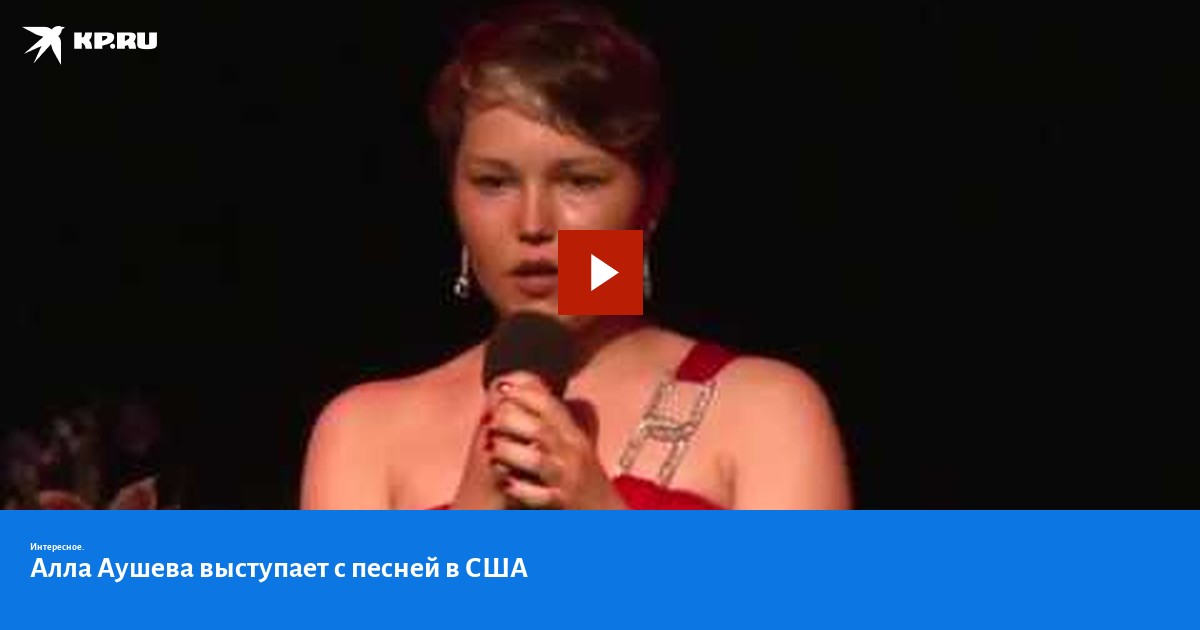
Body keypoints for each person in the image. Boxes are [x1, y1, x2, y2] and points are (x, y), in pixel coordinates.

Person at [300, 1, 851, 509]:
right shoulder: (365, 432)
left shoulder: (765, 410)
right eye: (494, 182)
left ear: (653, 195)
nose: (533, 225)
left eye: (579, 182)